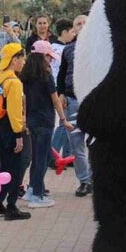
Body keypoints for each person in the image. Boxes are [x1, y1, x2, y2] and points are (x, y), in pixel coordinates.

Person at [0, 43, 31, 220]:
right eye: (22, 58)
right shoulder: (14, 82)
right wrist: (19, 134)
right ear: (14, 60)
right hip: (11, 128)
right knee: (15, 167)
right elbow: (14, 111)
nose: (23, 62)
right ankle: (12, 207)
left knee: (5, 165)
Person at [21, 43, 68, 208]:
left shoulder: (25, 76)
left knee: (38, 157)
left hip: (32, 121)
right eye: (48, 56)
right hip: (45, 122)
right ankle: (37, 195)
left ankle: (32, 189)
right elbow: (55, 100)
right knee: (43, 159)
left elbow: (25, 100)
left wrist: (26, 120)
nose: (50, 60)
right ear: (42, 56)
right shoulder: (46, 76)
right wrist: (63, 119)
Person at [55, 18, 93, 197]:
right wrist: (61, 93)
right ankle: (85, 181)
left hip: (94, 102)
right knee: (76, 144)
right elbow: (62, 74)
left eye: (85, 23)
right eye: (78, 24)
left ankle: (96, 178)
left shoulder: (101, 47)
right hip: (73, 100)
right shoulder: (68, 49)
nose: (82, 26)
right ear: (74, 29)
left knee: (95, 144)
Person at [49, 19, 76, 159]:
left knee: (69, 122)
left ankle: (67, 154)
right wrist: (61, 92)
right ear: (64, 32)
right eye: (72, 31)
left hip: (60, 89)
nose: (74, 34)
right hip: (59, 90)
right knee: (64, 122)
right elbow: (60, 74)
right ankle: (52, 156)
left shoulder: (62, 47)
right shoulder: (58, 49)